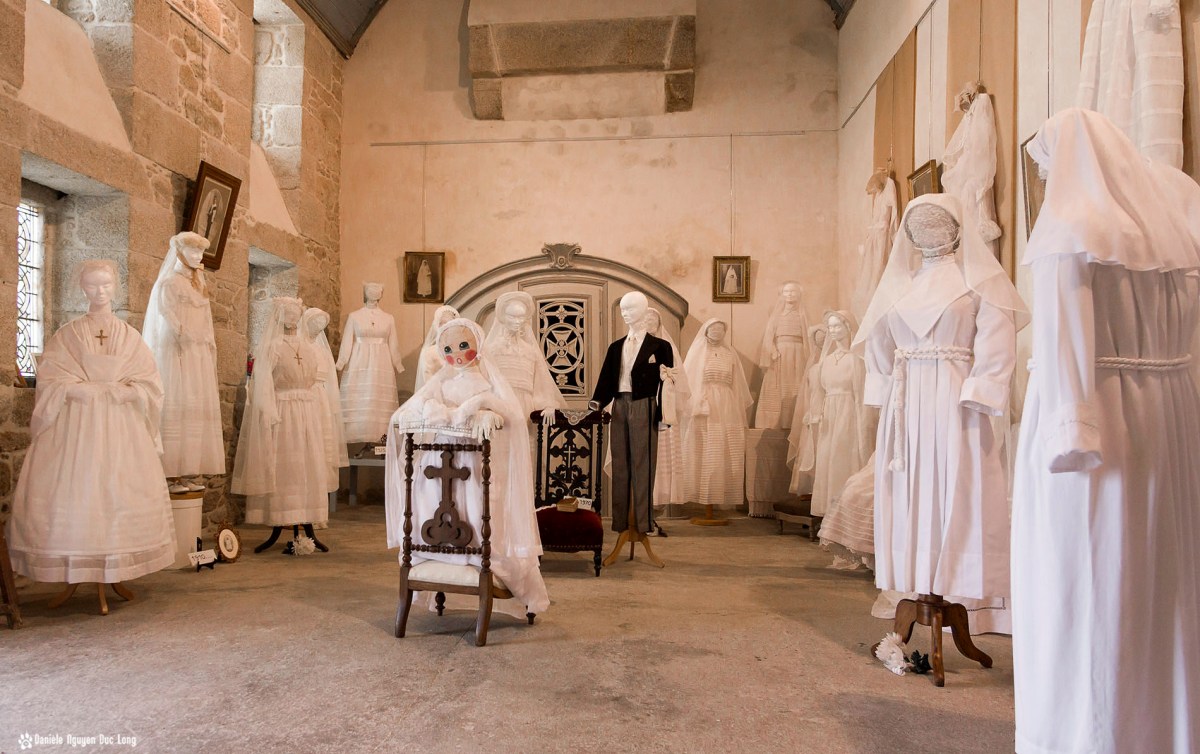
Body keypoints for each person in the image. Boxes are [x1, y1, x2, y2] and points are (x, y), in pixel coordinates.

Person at [1011, 108, 1200, 754]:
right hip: (1170, 419)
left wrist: (1069, 431)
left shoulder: (1072, 229)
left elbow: (1065, 343)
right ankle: (1162, 729)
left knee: (1086, 586)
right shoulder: (1177, 239)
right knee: (1160, 586)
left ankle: (1087, 735)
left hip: (1099, 424)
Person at [856, 192, 1027, 612]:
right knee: (910, 485)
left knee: (956, 482)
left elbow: (997, 337)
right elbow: (877, 342)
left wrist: (983, 389)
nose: (927, 229)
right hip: (905, 400)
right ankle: (914, 579)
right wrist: (882, 390)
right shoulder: (898, 288)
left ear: (956, 229)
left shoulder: (977, 284)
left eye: (937, 221)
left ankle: (957, 582)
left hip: (956, 401)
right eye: (918, 223)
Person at [7, 260, 176, 584]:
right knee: (79, 489)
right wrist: (74, 389)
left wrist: (132, 393)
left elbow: (151, 382)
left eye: (106, 285)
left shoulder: (129, 337)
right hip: (75, 430)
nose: (100, 291)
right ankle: (78, 561)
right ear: (82, 289)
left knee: (115, 488)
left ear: (115, 288)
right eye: (93, 285)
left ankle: (114, 562)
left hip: (120, 429)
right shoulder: (67, 335)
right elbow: (51, 379)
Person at [386, 318, 549, 617]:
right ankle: (435, 553)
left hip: (475, 460)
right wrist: (423, 410)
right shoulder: (441, 380)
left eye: (464, 346)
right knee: (429, 499)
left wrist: (481, 405)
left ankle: (481, 556)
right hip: (440, 458)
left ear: (478, 345)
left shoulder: (487, 382)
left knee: (477, 505)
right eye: (448, 349)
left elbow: (511, 413)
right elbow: (415, 404)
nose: (457, 355)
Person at [232, 297, 330, 539]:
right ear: (279, 316)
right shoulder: (272, 347)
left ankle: (306, 515)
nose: (292, 318)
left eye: (295, 313)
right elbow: (262, 383)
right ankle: (283, 515)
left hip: (307, 409)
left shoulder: (308, 347)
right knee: (285, 463)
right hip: (284, 410)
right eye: (287, 313)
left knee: (307, 462)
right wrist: (269, 413)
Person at [141, 231, 224, 494]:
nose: (197, 257)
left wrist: (208, 342)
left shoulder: (198, 284)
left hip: (196, 352)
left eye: (200, 252)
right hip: (177, 351)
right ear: (179, 252)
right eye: (192, 251)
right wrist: (182, 332)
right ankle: (170, 472)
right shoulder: (170, 283)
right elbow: (165, 312)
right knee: (177, 405)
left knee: (194, 409)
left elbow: (207, 319)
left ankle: (187, 470)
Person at [591, 292, 674, 537]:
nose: (625, 313)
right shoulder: (616, 347)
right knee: (620, 464)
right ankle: (620, 522)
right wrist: (596, 403)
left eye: (631, 308)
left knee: (643, 463)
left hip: (644, 405)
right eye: (623, 309)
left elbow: (668, 385)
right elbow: (607, 378)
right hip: (619, 405)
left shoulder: (660, 347)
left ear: (644, 309)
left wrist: (662, 415)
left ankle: (644, 521)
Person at [799, 311, 871, 519]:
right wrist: (817, 415)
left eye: (837, 326)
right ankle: (829, 509)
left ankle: (847, 511)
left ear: (848, 328)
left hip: (849, 412)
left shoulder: (857, 360)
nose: (833, 331)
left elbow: (860, 395)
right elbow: (819, 392)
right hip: (829, 413)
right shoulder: (827, 362)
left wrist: (861, 424)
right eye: (830, 327)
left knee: (844, 456)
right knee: (827, 457)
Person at [683, 319, 752, 510]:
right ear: (705, 331)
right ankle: (703, 495)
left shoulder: (730, 353)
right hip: (705, 403)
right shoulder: (698, 352)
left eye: (720, 329)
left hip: (726, 403)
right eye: (713, 329)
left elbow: (737, 383)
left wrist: (737, 407)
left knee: (723, 445)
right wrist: (696, 403)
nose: (716, 332)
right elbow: (689, 380)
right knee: (705, 446)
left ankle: (718, 493)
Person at [335, 282, 404, 444]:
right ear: (365, 294)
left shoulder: (388, 318)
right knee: (360, 395)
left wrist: (397, 363)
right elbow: (347, 341)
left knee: (377, 396)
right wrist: (341, 362)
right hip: (359, 360)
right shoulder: (354, 316)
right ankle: (359, 435)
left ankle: (379, 437)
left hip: (382, 362)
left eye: (376, 293)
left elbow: (394, 343)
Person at [483, 291, 566, 419]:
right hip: (499, 406)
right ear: (503, 317)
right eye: (512, 316)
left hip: (525, 408)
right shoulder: (491, 350)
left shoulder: (530, 352)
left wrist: (548, 404)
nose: (517, 321)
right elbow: (484, 381)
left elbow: (540, 381)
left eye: (521, 317)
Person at [643, 307, 690, 522]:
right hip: (642, 406)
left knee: (662, 456)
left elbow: (676, 376)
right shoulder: (634, 346)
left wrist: (667, 381)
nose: (650, 322)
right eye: (646, 318)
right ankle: (642, 510)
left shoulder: (667, 347)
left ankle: (657, 508)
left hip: (664, 408)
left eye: (654, 319)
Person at [301, 307, 348, 492]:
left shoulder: (322, 351)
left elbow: (330, 379)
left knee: (322, 442)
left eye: (321, 324)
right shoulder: (299, 347)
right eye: (315, 323)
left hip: (321, 398)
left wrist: (331, 404)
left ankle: (319, 493)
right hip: (306, 395)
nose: (318, 327)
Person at [753, 281, 810, 429]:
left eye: (793, 291)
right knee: (777, 386)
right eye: (787, 292)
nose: (790, 294)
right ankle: (773, 423)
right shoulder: (777, 315)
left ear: (799, 294)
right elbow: (769, 337)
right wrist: (773, 351)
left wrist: (807, 356)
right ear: (782, 295)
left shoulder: (802, 314)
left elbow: (807, 337)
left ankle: (792, 422)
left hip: (798, 354)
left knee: (796, 385)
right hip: (780, 354)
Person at [786, 324, 827, 495]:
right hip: (813, 410)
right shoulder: (812, 368)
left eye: (823, 340)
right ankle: (809, 489)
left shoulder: (831, 366)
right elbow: (806, 394)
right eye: (817, 341)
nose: (820, 343)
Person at [414, 305, 458, 391]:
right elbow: (428, 381)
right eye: (442, 324)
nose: (446, 328)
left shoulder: (462, 350)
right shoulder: (429, 352)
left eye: (451, 324)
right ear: (437, 326)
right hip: (438, 393)